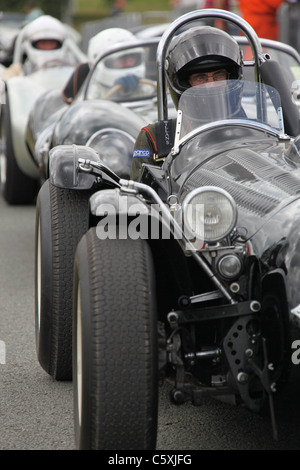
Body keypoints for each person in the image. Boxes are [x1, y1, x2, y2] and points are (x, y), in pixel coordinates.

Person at [130, 25, 243, 181]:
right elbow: (142, 200)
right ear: (185, 84)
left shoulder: (254, 131)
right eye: (201, 78)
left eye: (218, 75)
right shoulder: (155, 138)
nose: (211, 85)